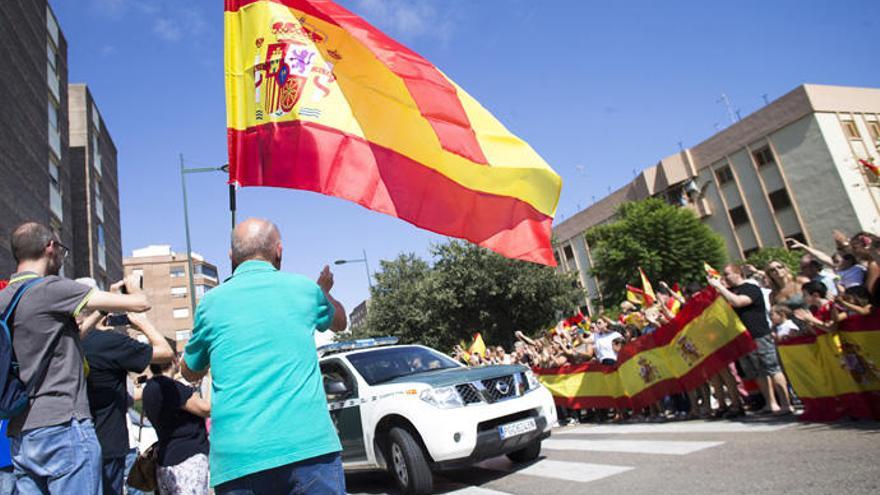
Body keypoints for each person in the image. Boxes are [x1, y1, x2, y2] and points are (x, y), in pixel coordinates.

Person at [180, 218, 347, 494]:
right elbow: (340, 322)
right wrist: (323, 292)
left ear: (231, 257)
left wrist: (188, 360)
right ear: (279, 251)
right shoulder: (305, 290)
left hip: (238, 458)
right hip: (308, 447)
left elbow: (190, 371)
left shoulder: (211, 304)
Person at [0, 222, 150, 495]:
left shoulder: (5, 299)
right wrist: (133, 286)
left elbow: (61, 339)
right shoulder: (51, 288)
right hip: (63, 427)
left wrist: (101, 308)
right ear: (50, 248)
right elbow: (141, 304)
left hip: (22, 434)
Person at [81, 284, 173, 495]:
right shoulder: (108, 343)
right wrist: (143, 324)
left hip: (72, 441)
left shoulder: (63, 341)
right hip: (108, 442)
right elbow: (165, 352)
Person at [709, 264, 793, 415]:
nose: (724, 277)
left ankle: (786, 403)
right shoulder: (730, 291)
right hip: (743, 338)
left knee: (772, 369)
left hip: (759, 334)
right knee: (757, 373)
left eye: (727, 274)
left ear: (738, 273)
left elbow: (739, 302)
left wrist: (720, 288)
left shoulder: (750, 288)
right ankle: (770, 403)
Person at [142, 351, 211, 495]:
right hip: (188, 459)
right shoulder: (169, 387)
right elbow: (206, 409)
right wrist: (210, 377)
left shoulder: (149, 388)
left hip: (165, 459)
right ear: (174, 361)